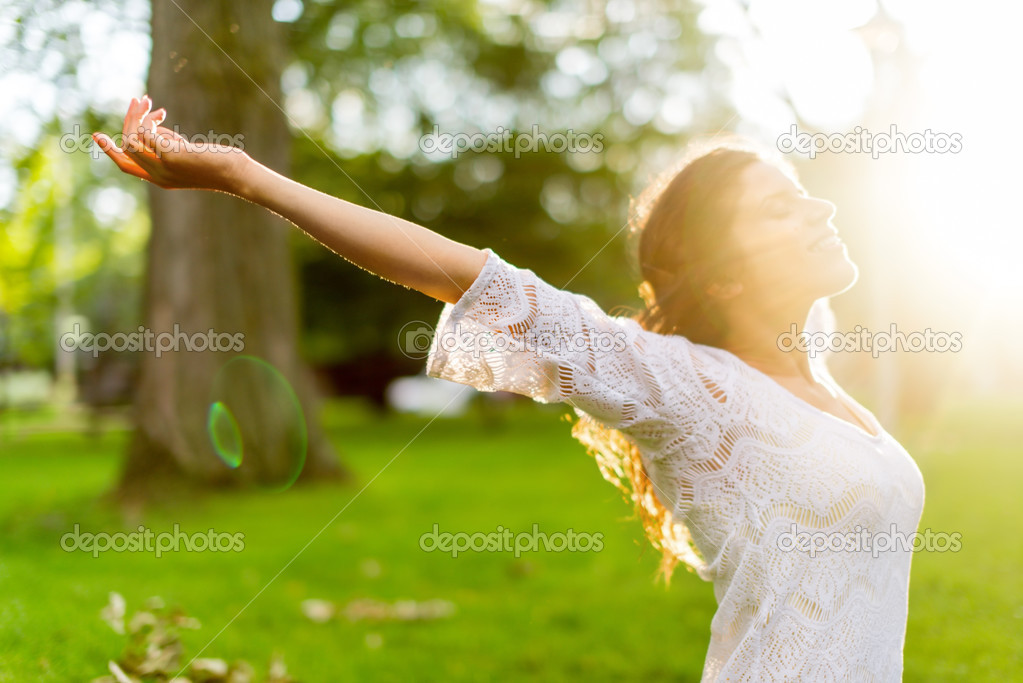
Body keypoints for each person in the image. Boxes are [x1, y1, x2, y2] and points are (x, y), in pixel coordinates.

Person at [94, 96, 925, 682]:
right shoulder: (689, 388)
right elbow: (469, 275)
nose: (818, 209)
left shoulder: (818, 381)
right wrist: (245, 175)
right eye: (779, 211)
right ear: (728, 280)